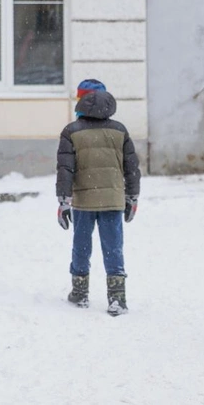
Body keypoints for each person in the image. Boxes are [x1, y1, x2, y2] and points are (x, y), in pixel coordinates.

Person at [56, 79, 141, 316]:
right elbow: (131, 167)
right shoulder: (120, 130)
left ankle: (80, 292)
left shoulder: (71, 132)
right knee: (113, 247)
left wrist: (63, 201)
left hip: (83, 201)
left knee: (81, 246)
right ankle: (117, 298)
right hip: (113, 199)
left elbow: (65, 169)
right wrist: (132, 196)